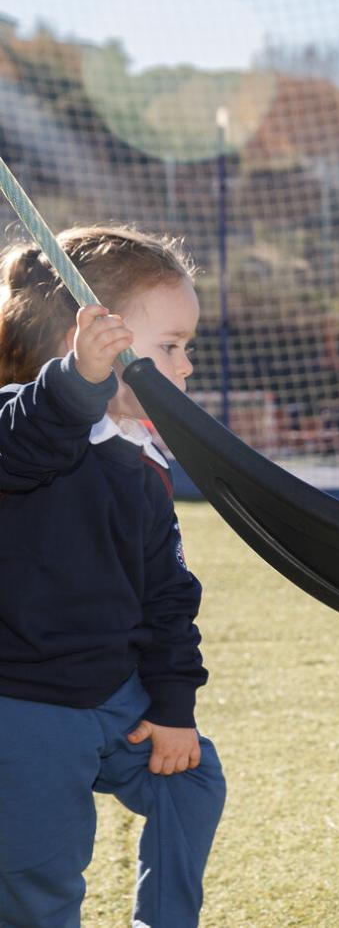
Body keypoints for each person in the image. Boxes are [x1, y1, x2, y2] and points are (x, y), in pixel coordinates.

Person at [0, 224, 226, 928]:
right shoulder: (25, 421)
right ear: (95, 336)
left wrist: (172, 703)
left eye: (187, 348)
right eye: (169, 347)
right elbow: (25, 445)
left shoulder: (141, 457)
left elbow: (168, 597)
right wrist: (75, 382)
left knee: (191, 779)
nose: (184, 367)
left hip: (114, 697)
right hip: (24, 703)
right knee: (41, 878)